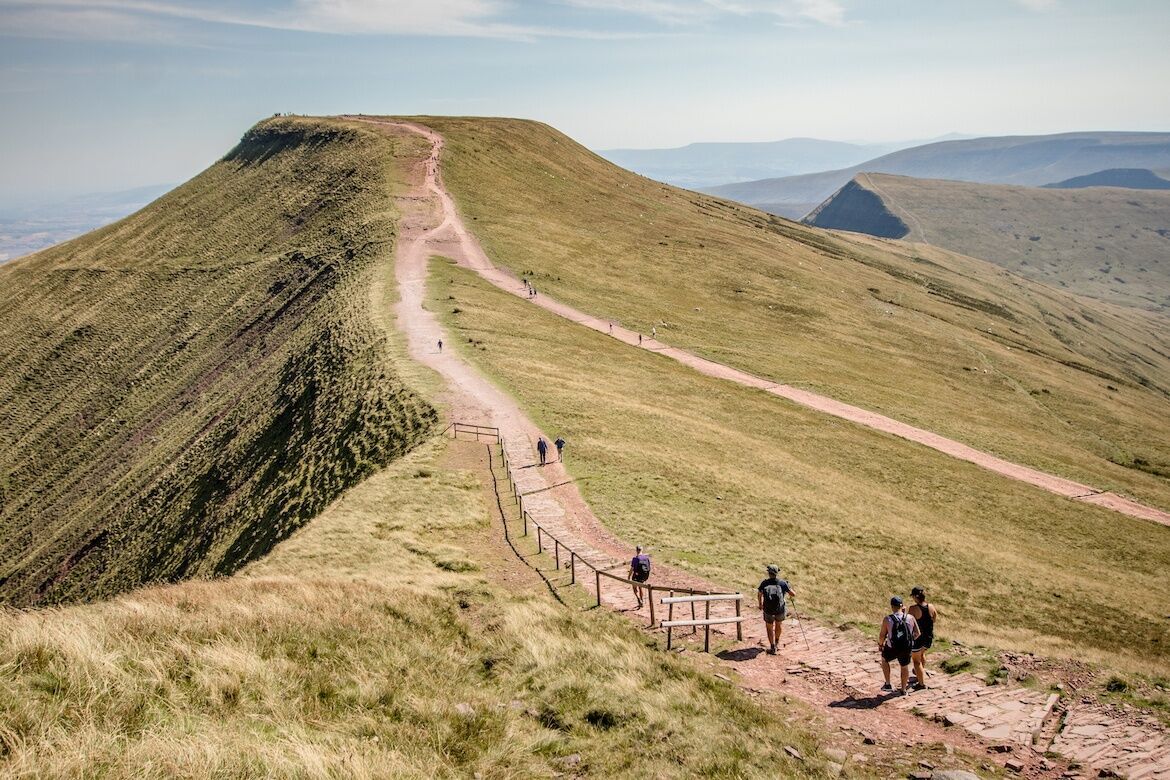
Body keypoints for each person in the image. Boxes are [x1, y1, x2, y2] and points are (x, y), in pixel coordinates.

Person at [878, 596, 920, 694]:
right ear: (902, 605)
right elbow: (918, 633)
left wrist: (880, 644)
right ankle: (903, 689)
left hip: (892, 646)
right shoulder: (910, 617)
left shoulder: (888, 619)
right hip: (906, 646)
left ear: (892, 606)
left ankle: (888, 683)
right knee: (904, 666)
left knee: (884, 659)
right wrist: (910, 640)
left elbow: (882, 635)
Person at [757, 565, 794, 655]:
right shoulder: (782, 583)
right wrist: (788, 586)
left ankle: (772, 646)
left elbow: (759, 594)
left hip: (768, 609)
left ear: (768, 573)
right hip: (780, 609)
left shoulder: (764, 583)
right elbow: (793, 594)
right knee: (779, 624)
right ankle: (777, 643)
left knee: (769, 627)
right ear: (777, 573)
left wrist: (760, 604)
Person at [908, 586, 937, 690]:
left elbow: (908, 623)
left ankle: (921, 683)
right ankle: (920, 674)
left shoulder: (913, 609)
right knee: (922, 654)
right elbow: (934, 619)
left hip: (917, 638)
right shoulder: (931, 606)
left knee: (916, 661)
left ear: (915, 597)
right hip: (928, 637)